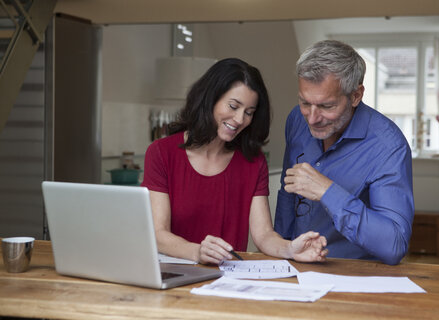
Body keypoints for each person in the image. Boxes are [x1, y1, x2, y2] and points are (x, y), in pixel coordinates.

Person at [141, 58, 327, 265]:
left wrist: (290, 249)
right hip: (173, 276)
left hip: (227, 279)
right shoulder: (161, 153)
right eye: (233, 106)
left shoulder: (253, 161)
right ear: (210, 99)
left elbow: (264, 234)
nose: (240, 119)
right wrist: (197, 252)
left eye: (249, 113)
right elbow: (158, 233)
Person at [273, 40, 415, 265]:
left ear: (356, 95)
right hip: (294, 267)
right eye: (305, 103)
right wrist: (281, 251)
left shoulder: (388, 146)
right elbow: (288, 194)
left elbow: (394, 245)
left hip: (356, 275)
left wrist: (327, 191)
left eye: (327, 106)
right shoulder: (296, 120)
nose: (312, 118)